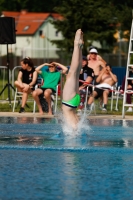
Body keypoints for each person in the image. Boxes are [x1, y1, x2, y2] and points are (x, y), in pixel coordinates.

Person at [62, 29, 83, 130]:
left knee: (76, 72)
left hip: (74, 103)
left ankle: (80, 45)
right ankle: (77, 45)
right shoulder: (73, 128)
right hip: (69, 103)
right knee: (73, 73)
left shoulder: (76, 126)